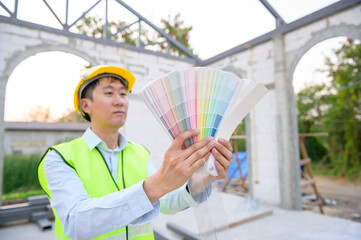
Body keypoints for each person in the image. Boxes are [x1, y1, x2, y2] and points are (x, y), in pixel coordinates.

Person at [37, 65, 233, 240]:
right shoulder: (60, 158)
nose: (120, 101)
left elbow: (165, 202)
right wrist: (156, 185)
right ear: (85, 105)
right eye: (109, 93)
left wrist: (200, 182)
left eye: (123, 94)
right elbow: (76, 222)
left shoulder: (140, 152)